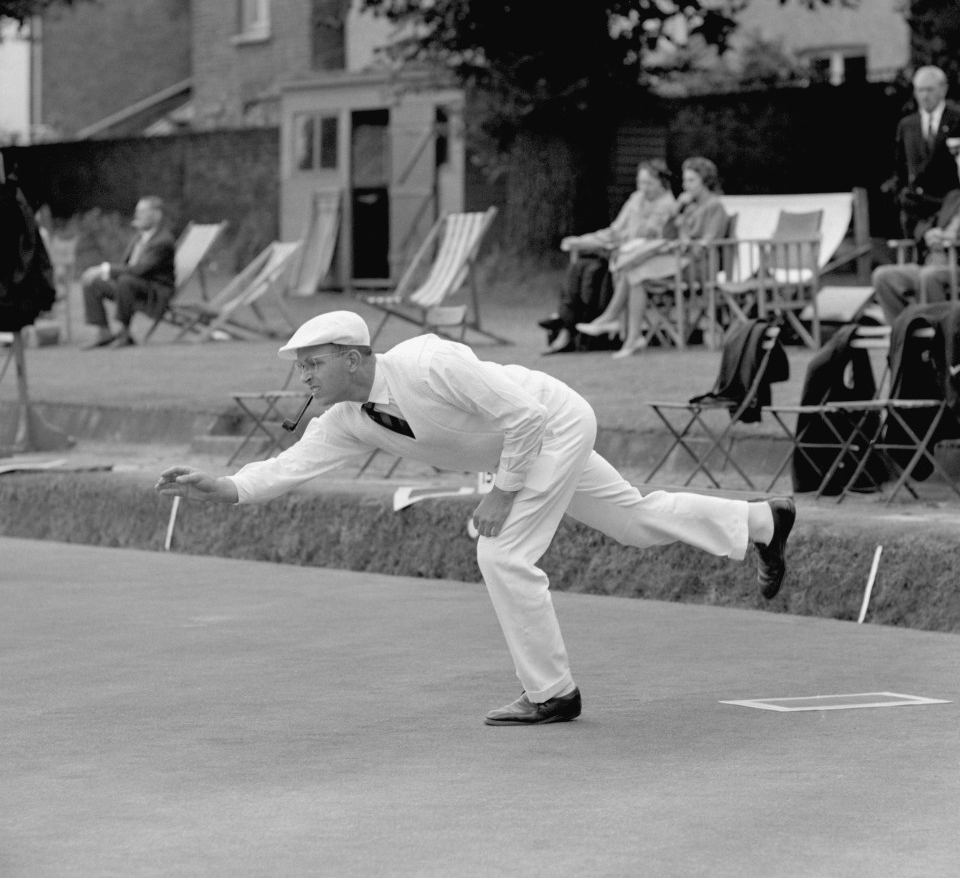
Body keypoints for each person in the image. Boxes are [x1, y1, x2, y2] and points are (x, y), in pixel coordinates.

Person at [155, 310, 797, 727]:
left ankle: (553, 694)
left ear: (354, 357)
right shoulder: (349, 420)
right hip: (519, 448)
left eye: (313, 362)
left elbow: (525, 417)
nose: (304, 375)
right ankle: (763, 522)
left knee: (502, 554)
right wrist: (227, 485)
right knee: (632, 521)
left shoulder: (429, 363)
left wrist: (500, 493)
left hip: (553, 422)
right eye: (301, 365)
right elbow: (290, 466)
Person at [577, 156, 729, 358]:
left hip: (697, 266)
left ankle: (617, 323)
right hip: (679, 260)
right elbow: (668, 234)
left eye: (692, 180)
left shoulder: (714, 206)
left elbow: (708, 243)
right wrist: (676, 213)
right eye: (685, 180)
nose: (686, 185)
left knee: (635, 271)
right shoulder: (688, 206)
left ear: (705, 180)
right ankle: (630, 336)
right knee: (634, 272)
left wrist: (682, 237)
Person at [541, 160, 676, 354]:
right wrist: (584, 241)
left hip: (637, 259)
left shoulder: (668, 206)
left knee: (595, 271)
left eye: (648, 184)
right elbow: (616, 230)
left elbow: (645, 236)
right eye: (640, 183)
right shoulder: (636, 199)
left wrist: (613, 241)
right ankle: (566, 323)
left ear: (663, 183)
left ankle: (592, 323)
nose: (643, 189)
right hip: (618, 254)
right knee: (578, 267)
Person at [80, 196, 176, 348]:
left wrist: (105, 269)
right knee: (93, 282)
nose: (138, 215)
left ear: (157, 215)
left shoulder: (163, 241)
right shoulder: (139, 237)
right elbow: (127, 266)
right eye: (138, 211)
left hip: (154, 293)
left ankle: (124, 332)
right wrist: (102, 274)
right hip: (132, 287)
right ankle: (104, 332)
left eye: (143, 211)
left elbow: (140, 269)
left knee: (126, 280)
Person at [890, 65, 960, 247]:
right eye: (920, 90)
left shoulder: (956, 120)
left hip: (948, 206)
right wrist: (902, 196)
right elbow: (900, 168)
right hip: (915, 209)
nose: (924, 96)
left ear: (943, 89)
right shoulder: (907, 125)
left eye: (929, 89)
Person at [872, 188, 960, 324]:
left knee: (929, 276)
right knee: (882, 276)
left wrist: (953, 238)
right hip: (931, 262)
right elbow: (930, 222)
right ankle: (901, 332)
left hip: (954, 266)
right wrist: (929, 234)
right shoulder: (953, 197)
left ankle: (939, 333)